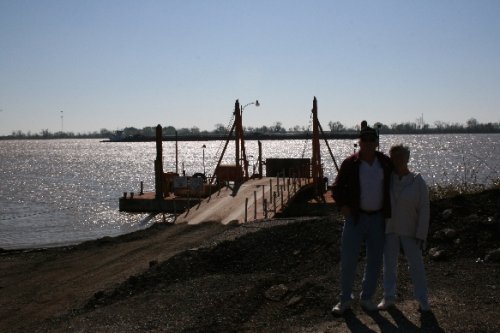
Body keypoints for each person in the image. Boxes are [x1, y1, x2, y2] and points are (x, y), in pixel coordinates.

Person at [331, 122, 393, 315]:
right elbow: (336, 188)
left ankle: (367, 298)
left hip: (378, 219)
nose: (367, 143)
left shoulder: (385, 162)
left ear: (376, 142)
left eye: (371, 140)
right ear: (359, 142)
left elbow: (396, 184)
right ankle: (345, 300)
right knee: (348, 260)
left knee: (374, 260)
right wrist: (342, 206)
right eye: (363, 139)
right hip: (355, 219)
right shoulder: (350, 163)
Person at [377, 144, 431, 311]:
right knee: (389, 265)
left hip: (411, 230)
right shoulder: (387, 180)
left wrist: (422, 233)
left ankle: (422, 299)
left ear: (407, 158)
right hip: (390, 228)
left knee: (416, 265)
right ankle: (388, 297)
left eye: (401, 157)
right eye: (394, 157)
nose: (398, 160)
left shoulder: (418, 181)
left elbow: (424, 209)